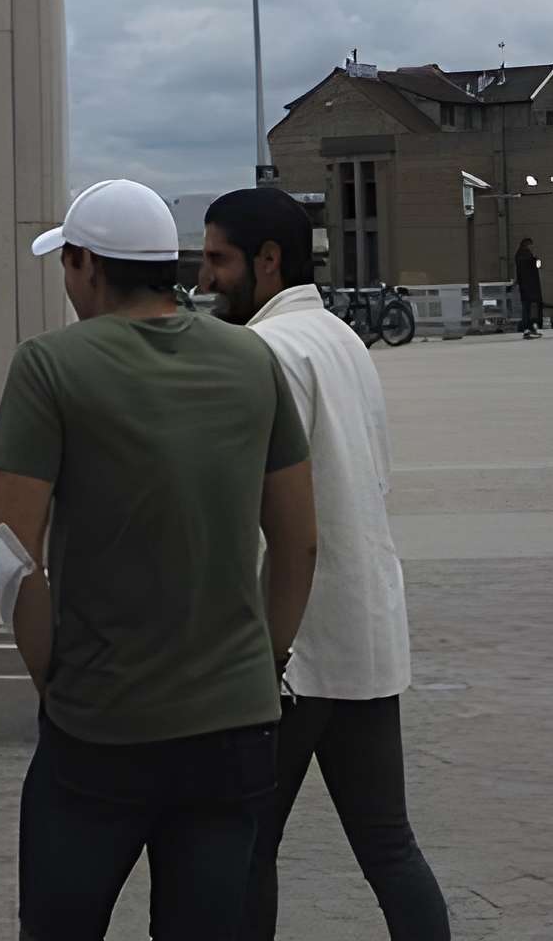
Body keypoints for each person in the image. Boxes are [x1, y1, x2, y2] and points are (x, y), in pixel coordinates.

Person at [0, 177, 318, 941]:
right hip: (233, 728)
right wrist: (260, 664)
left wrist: (53, 678)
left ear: (87, 266)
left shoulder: (48, 366)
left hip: (100, 727)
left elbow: (10, 556)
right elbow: (298, 543)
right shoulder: (250, 361)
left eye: (65, 267)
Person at [199, 186, 450, 941]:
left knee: (245, 846)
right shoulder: (341, 338)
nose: (205, 278)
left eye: (219, 259)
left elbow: (257, 516)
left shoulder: (263, 350)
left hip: (291, 651)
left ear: (267, 261)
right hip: (367, 633)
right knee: (389, 847)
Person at [514, 238, 543, 336]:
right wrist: (536, 260)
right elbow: (536, 265)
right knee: (528, 308)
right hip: (529, 286)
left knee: (529, 308)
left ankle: (530, 327)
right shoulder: (524, 256)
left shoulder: (522, 255)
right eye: (530, 245)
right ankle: (528, 327)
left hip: (528, 286)